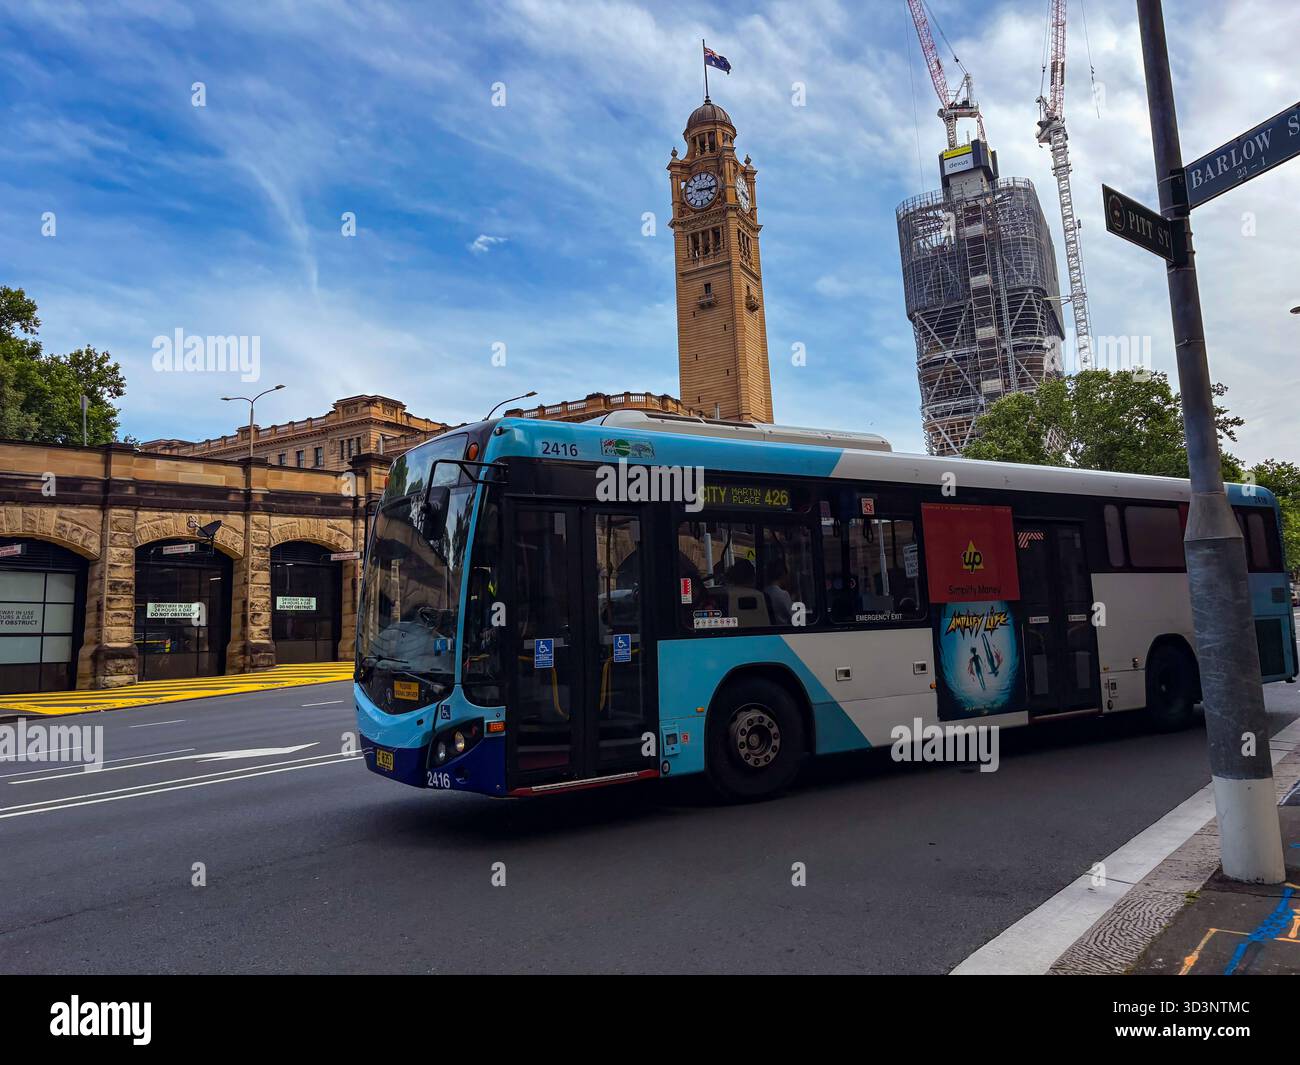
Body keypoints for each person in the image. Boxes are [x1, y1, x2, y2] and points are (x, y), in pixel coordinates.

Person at [763, 558, 794, 626]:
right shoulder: (783, 594)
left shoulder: (764, 592)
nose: (788, 577)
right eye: (787, 574)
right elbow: (796, 619)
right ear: (783, 574)